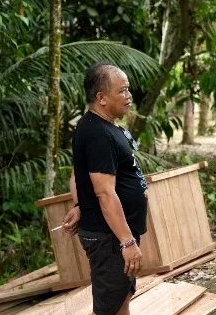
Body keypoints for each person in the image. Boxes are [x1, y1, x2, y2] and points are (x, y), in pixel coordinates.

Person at [61, 61, 149, 315]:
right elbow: (104, 193)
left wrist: (79, 205)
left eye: (128, 89)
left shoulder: (101, 126)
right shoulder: (98, 133)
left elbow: (77, 175)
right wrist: (127, 242)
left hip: (115, 236)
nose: (128, 96)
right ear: (101, 97)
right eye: (122, 90)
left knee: (120, 298)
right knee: (109, 307)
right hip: (110, 238)